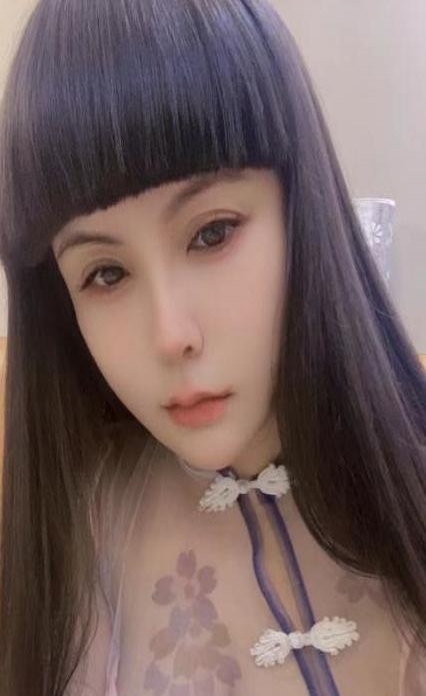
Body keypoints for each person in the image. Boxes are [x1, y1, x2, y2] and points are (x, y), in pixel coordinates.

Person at [0, 0, 425, 694]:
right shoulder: (84, 537)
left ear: (299, 208)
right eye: (106, 274)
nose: (171, 335)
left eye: (212, 233)